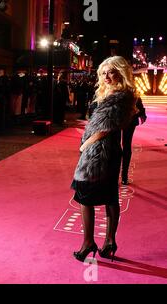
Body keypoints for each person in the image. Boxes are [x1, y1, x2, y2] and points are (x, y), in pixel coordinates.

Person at [70, 56, 137, 262]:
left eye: (111, 71)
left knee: (89, 193)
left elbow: (106, 129)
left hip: (102, 152)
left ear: (120, 72)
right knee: (101, 195)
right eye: (104, 72)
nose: (107, 76)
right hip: (104, 151)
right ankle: (102, 241)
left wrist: (85, 144)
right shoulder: (109, 93)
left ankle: (96, 241)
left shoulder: (122, 95)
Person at [121, 97, 147, 185]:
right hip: (114, 121)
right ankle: (117, 176)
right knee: (116, 146)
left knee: (126, 145)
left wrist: (134, 113)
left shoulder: (132, 93)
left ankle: (124, 175)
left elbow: (140, 109)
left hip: (129, 121)